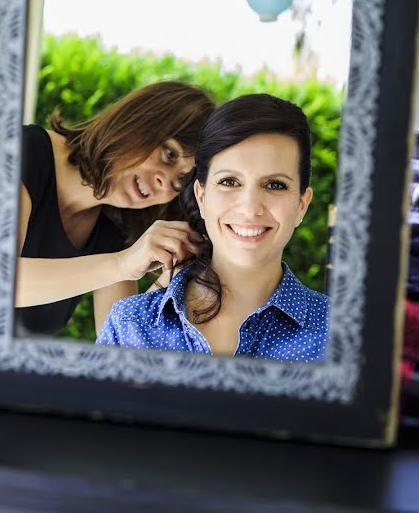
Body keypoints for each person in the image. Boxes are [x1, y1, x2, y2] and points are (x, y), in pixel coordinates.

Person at [96, 93, 329, 362]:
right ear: (201, 196)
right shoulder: (130, 324)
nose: (250, 208)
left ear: (302, 204)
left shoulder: (340, 336)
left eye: (275, 185)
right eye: (230, 182)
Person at [16, 80, 214, 336]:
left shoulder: (116, 227)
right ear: (139, 122)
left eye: (180, 181)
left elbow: (121, 341)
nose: (165, 182)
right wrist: (122, 264)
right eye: (169, 154)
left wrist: (173, 277)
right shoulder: (24, 152)